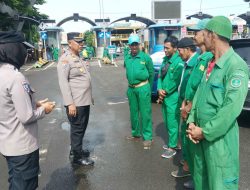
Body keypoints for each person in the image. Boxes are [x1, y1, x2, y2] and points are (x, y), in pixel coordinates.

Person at [186, 16, 249, 190]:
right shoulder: (210, 62)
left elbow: (231, 109)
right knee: (201, 181)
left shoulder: (236, 66)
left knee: (220, 184)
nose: (200, 39)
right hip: (199, 137)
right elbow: (199, 94)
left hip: (218, 141)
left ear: (212, 35)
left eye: (204, 34)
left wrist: (205, 132)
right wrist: (191, 121)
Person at [0, 31, 55, 190]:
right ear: (13, 50)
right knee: (25, 185)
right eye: (23, 49)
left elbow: (7, 104)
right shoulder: (15, 77)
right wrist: (45, 109)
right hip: (23, 147)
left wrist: (35, 103)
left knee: (16, 182)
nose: (25, 54)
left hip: (7, 143)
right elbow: (26, 116)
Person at [182, 18, 213, 189]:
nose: (194, 35)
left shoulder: (208, 57)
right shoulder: (201, 56)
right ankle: (197, 180)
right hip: (189, 107)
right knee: (194, 150)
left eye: (197, 32)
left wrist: (189, 105)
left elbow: (201, 88)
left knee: (200, 151)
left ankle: (201, 182)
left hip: (196, 109)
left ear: (207, 34)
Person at [57, 32, 94, 166]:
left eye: (82, 42)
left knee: (82, 127)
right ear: (70, 43)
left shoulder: (79, 57)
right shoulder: (65, 59)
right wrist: (70, 103)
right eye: (78, 42)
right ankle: (77, 158)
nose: (81, 44)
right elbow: (63, 82)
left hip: (84, 100)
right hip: (76, 102)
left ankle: (76, 150)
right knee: (77, 129)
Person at [171, 37, 199, 178]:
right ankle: (187, 163)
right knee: (184, 134)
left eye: (180, 51)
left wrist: (188, 105)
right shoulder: (187, 62)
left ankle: (189, 169)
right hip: (184, 102)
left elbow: (196, 87)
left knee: (188, 136)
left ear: (188, 50)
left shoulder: (196, 63)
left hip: (189, 105)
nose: (179, 53)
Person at [124, 34, 154, 149]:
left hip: (143, 88)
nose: (134, 47)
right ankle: (136, 133)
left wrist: (148, 88)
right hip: (131, 89)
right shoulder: (127, 57)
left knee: (145, 113)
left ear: (139, 45)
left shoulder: (145, 57)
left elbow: (151, 73)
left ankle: (147, 137)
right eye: (132, 45)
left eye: (136, 44)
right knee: (133, 113)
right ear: (129, 46)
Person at [157, 36, 184, 158]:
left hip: (173, 97)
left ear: (175, 48)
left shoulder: (179, 62)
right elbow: (160, 76)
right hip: (165, 96)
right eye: (164, 47)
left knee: (173, 122)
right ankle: (173, 143)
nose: (165, 50)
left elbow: (176, 81)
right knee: (167, 121)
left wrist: (165, 91)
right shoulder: (165, 60)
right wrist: (159, 89)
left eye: (167, 48)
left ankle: (172, 147)